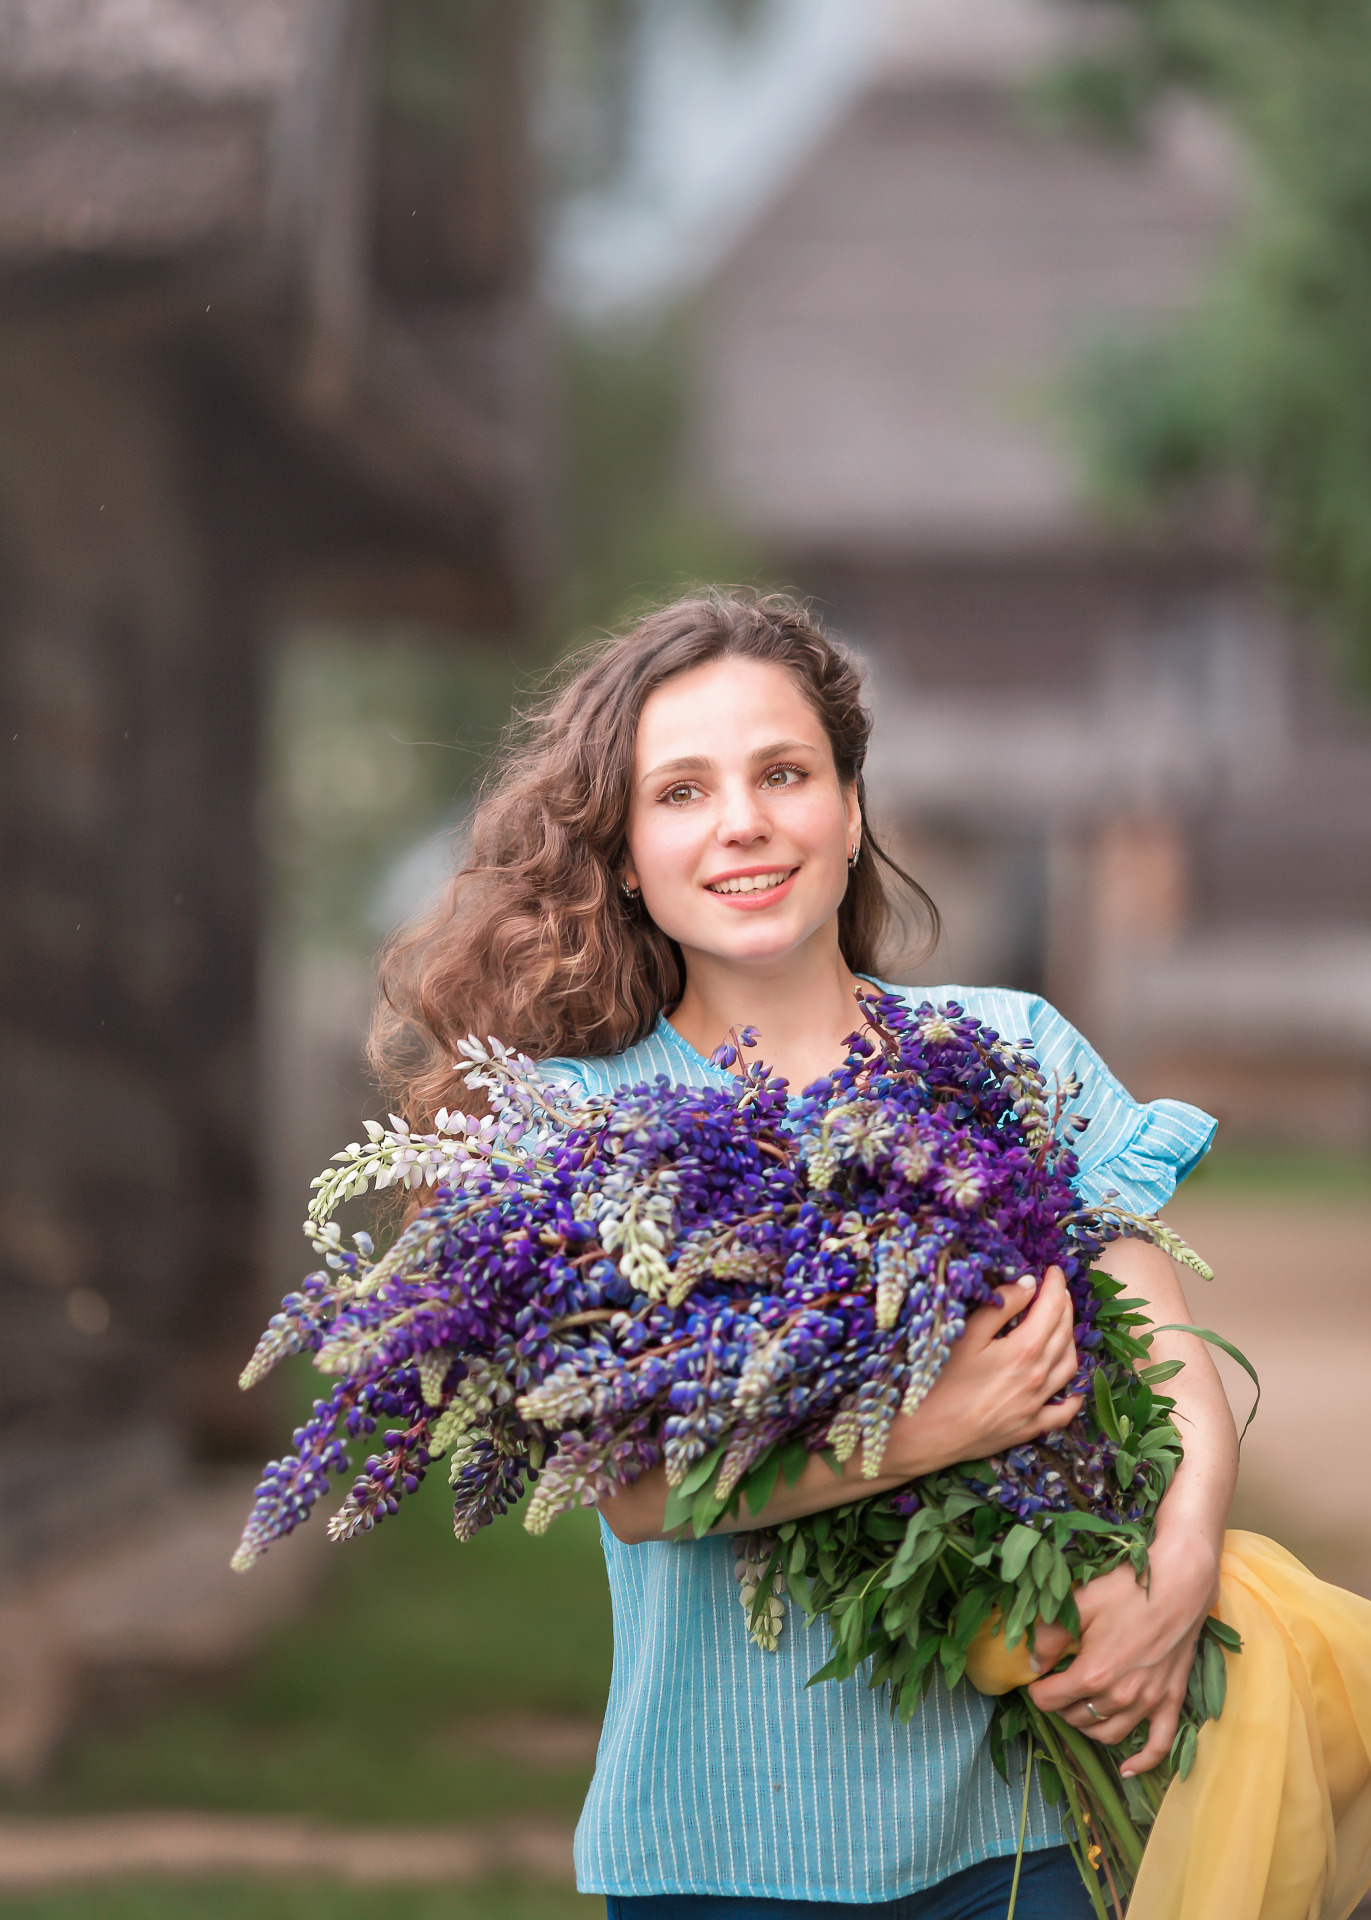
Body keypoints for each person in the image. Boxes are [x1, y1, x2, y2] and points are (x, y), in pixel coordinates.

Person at [370, 589, 1239, 1920]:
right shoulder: (577, 1123)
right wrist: (938, 1426)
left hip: (1019, 1827)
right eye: (681, 792)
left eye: (784, 773)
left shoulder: (1010, 1055)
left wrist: (1174, 1583)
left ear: (848, 808)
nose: (743, 824)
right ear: (625, 854)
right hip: (717, 1852)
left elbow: (1174, 1358)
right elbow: (639, 1492)